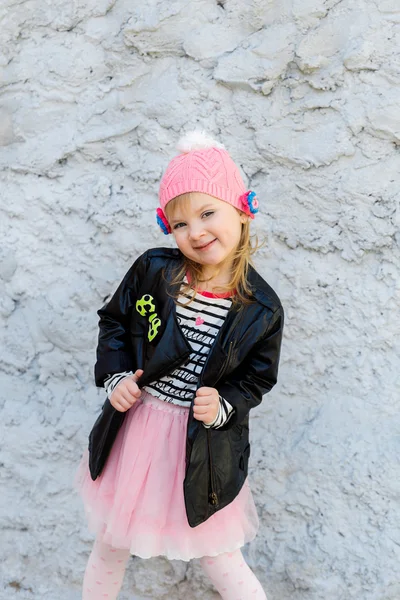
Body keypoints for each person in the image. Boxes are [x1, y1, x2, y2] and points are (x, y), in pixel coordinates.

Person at [73, 129, 284, 600]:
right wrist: (116, 378)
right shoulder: (154, 270)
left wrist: (225, 403)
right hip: (140, 433)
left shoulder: (262, 309)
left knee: (220, 553)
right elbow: (114, 322)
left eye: (208, 212)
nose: (196, 231)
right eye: (180, 223)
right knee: (111, 542)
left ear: (242, 209)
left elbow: (257, 378)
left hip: (201, 446)